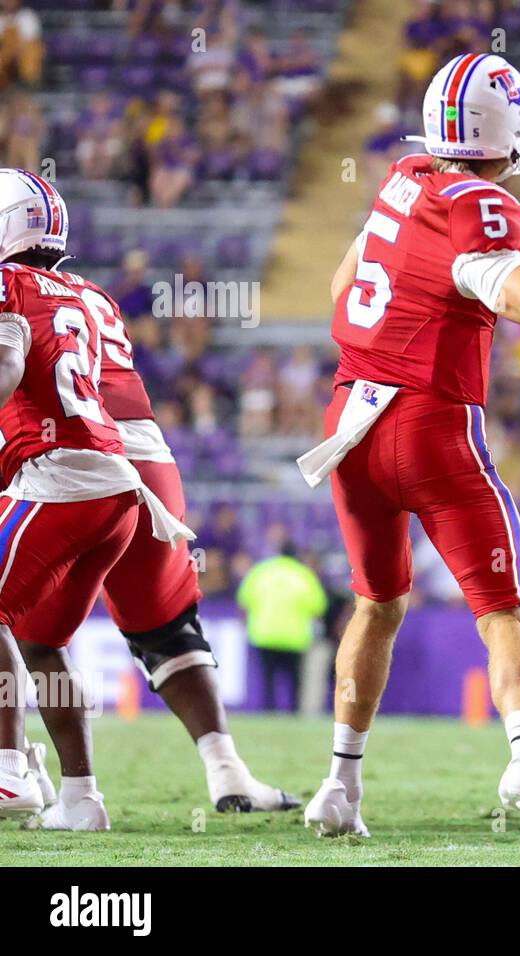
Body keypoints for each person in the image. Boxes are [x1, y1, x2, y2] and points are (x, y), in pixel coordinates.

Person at [298, 53, 520, 843]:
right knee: (503, 607)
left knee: (377, 602)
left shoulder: (404, 174)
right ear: (509, 133)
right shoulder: (486, 205)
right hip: (430, 423)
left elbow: (344, 290)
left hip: (348, 421)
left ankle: (341, 784)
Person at [8, 177, 299, 828]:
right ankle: (228, 771)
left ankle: (41, 775)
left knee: (30, 632)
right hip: (147, 459)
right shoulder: (95, 295)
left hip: (74, 454)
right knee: (165, 631)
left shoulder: (12, 291)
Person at [0, 168, 191, 821]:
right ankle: (80, 796)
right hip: (116, 490)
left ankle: (9, 771)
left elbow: (5, 366)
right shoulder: (77, 294)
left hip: (63, 479)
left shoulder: (5, 285)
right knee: (40, 639)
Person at [237, 544, 328, 713]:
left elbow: (244, 600)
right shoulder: (304, 575)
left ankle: (268, 711)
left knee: (267, 678)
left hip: (264, 634)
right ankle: (293, 712)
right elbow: (319, 607)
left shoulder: (261, 571)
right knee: (294, 680)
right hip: (294, 638)